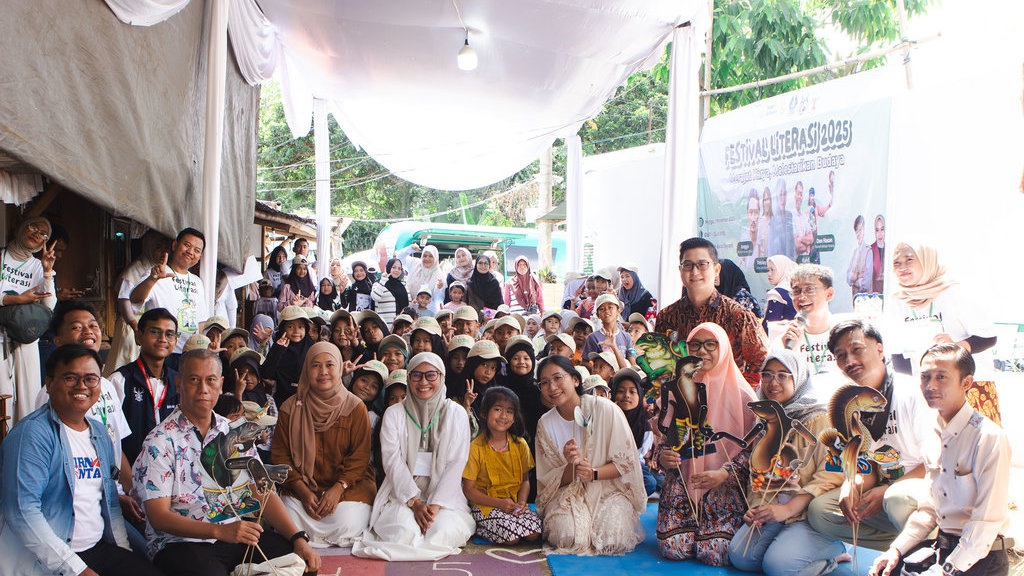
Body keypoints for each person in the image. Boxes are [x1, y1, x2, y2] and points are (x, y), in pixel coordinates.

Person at [133, 348, 321, 576]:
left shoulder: (233, 431)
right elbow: (159, 516)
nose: (203, 389)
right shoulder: (159, 441)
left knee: (298, 562)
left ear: (221, 384)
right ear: (179, 383)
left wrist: (297, 538)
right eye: (194, 380)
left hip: (232, 536)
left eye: (210, 380)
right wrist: (218, 531)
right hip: (180, 544)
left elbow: (260, 490)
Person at [0, 344, 161, 576]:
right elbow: (22, 512)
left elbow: (109, 502)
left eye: (90, 378)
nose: (82, 386)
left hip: (96, 550)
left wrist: (123, 553)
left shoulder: (98, 432)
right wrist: (77, 569)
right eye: (70, 378)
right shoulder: (33, 435)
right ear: (49, 382)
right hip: (47, 561)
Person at [869, 344, 1010, 576]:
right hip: (944, 547)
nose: (930, 386)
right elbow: (929, 510)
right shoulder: (932, 436)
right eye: (925, 377)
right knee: (887, 569)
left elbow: (986, 523)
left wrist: (946, 570)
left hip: (981, 556)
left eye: (941, 377)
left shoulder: (987, 437)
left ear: (966, 383)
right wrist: (895, 549)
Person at [806, 319, 932, 551]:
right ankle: (912, 546)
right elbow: (870, 466)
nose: (849, 361)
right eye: (841, 355)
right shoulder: (850, 404)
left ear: (879, 349)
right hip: (885, 490)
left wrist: (887, 490)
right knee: (820, 511)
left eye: (857, 350)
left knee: (896, 499)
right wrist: (852, 486)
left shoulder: (913, 392)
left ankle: (926, 543)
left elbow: (938, 463)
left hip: (923, 490)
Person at [728, 350, 846, 576]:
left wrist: (789, 509)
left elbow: (831, 474)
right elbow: (757, 471)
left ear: (799, 378)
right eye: (768, 375)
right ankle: (794, 546)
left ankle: (833, 552)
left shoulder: (819, 418)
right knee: (741, 556)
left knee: (778, 567)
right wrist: (755, 509)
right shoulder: (765, 420)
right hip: (777, 511)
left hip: (810, 515)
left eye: (783, 375)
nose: (773, 383)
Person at [354, 352, 474, 561]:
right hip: (401, 495)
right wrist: (415, 503)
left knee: (440, 533)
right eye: (416, 375)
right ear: (408, 378)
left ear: (442, 377)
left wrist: (433, 507)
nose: (423, 382)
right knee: (404, 533)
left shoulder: (457, 413)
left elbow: (457, 462)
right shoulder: (394, 413)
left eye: (431, 375)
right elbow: (392, 462)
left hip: (444, 496)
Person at [656, 322, 757, 565]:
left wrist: (724, 474)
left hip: (725, 482)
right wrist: (664, 456)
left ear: (723, 348)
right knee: (674, 547)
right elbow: (664, 439)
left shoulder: (745, 397)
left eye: (710, 344)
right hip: (685, 477)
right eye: (695, 345)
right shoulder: (676, 390)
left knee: (716, 553)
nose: (702, 351)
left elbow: (754, 451)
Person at [534, 354, 647, 555]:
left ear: (575, 379)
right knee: (568, 536)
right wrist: (571, 466)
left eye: (558, 378)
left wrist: (593, 473)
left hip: (607, 488)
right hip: (567, 494)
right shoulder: (545, 423)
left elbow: (626, 463)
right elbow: (548, 481)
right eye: (545, 382)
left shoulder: (605, 409)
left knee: (613, 538)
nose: (552, 387)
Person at [272, 342, 376, 547]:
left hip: (348, 489)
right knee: (286, 516)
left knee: (347, 521)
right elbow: (280, 456)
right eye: (315, 365)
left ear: (339, 368)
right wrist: (302, 490)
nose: (323, 372)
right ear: (306, 369)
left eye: (329, 365)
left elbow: (360, 457)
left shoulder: (355, 407)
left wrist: (338, 488)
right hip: (300, 489)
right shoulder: (290, 408)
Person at [655, 237, 768, 386]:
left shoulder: (738, 316)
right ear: (680, 270)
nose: (695, 271)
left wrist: (740, 392)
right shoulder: (667, 317)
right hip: (683, 403)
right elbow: (659, 364)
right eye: (687, 265)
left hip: (728, 402)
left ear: (716, 270)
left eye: (702, 264)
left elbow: (761, 362)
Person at [887, 242, 998, 382]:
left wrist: (956, 349)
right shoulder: (898, 301)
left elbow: (989, 337)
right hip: (926, 389)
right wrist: (910, 388)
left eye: (909, 260)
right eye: (896, 263)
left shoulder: (954, 293)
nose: (902, 267)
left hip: (971, 385)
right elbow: (898, 354)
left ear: (927, 260)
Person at [461, 386, 542, 544]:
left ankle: (503, 525)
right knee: (512, 537)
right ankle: (481, 527)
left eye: (509, 411)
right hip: (485, 504)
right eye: (497, 409)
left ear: (514, 417)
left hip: (512, 503)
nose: (503, 416)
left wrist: (522, 503)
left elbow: (525, 481)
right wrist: (499, 504)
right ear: (485, 413)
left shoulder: (520, 444)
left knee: (535, 532)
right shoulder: (475, 447)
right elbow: (469, 490)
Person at [0, 217, 58, 422]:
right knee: (3, 397)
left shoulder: (38, 266)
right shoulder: (2, 256)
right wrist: (17, 299)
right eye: (34, 227)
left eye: (44, 234)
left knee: (28, 400)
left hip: (26, 338)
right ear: (22, 227)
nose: (37, 234)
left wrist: (48, 272)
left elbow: (49, 307)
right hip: (1, 336)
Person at [110, 307, 180, 466]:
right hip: (131, 475)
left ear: (175, 341)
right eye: (155, 332)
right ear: (139, 336)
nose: (163, 338)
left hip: (170, 473)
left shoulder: (179, 381)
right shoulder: (120, 380)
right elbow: (111, 436)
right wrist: (127, 481)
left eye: (169, 334)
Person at [130, 227, 209, 362]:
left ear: (200, 257)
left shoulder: (197, 282)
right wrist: (152, 279)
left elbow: (201, 321)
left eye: (197, 250)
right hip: (162, 350)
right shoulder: (156, 273)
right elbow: (135, 299)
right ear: (174, 245)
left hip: (189, 354)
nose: (190, 252)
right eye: (187, 245)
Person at [106, 230, 169, 377]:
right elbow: (123, 299)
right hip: (132, 325)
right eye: (158, 247)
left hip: (147, 326)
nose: (163, 252)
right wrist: (134, 325)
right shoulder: (135, 269)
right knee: (126, 364)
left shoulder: (157, 269)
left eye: (166, 248)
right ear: (148, 247)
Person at [775, 264, 842, 384]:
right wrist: (788, 353)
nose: (802, 297)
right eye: (796, 291)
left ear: (829, 294)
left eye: (809, 289)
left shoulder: (844, 333)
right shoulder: (785, 338)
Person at [610, 367, 659, 496]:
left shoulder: (644, 425)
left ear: (640, 396)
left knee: (653, 482)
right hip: (608, 465)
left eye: (632, 392)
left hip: (634, 465)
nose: (626, 396)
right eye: (620, 391)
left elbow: (639, 456)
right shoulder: (607, 418)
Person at [265, 305, 316, 407]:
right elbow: (267, 373)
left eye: (301, 327)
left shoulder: (312, 348)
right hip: (283, 400)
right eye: (290, 326)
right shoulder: (278, 348)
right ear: (283, 329)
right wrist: (278, 350)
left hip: (309, 399)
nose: (296, 331)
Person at [503, 335, 544, 448]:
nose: (521, 362)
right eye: (516, 358)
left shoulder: (538, 387)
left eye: (526, 358)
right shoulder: (502, 386)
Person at [582, 293, 635, 371]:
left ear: (618, 310)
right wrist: (599, 370)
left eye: (610, 307)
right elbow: (585, 362)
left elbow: (632, 363)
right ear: (597, 315)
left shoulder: (626, 337)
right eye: (601, 309)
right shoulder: (593, 337)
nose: (606, 311)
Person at [406, 245, 445, 312]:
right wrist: (410, 249)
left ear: (435, 258)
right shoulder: (415, 264)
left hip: (429, 312)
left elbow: (439, 299)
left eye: (430, 256)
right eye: (425, 256)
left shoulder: (440, 275)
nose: (427, 259)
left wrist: (439, 288)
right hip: (412, 308)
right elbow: (399, 258)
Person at [372, 258, 409, 326]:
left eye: (399, 268)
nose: (396, 270)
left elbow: (408, 305)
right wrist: (384, 280)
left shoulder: (404, 286)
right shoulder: (378, 284)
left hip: (401, 326)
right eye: (394, 267)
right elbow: (375, 297)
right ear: (388, 268)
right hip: (385, 325)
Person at [739, 189, 767, 267]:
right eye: (751, 212)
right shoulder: (743, 240)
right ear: (747, 214)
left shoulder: (764, 239)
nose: (753, 219)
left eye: (756, 212)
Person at [768, 179, 795, 259]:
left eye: (784, 194)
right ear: (776, 197)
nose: (782, 198)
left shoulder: (789, 216)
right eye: (780, 194)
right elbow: (770, 249)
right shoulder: (773, 220)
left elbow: (792, 245)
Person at [846, 215, 872, 299]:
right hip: (855, 299)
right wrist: (857, 277)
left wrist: (855, 281)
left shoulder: (868, 251)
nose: (859, 234)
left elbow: (867, 284)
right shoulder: (854, 252)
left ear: (864, 230)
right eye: (857, 231)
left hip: (867, 300)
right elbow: (848, 279)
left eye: (860, 230)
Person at [868, 215, 886, 295]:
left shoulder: (890, 249)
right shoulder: (870, 250)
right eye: (877, 230)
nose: (879, 234)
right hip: (875, 294)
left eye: (882, 229)